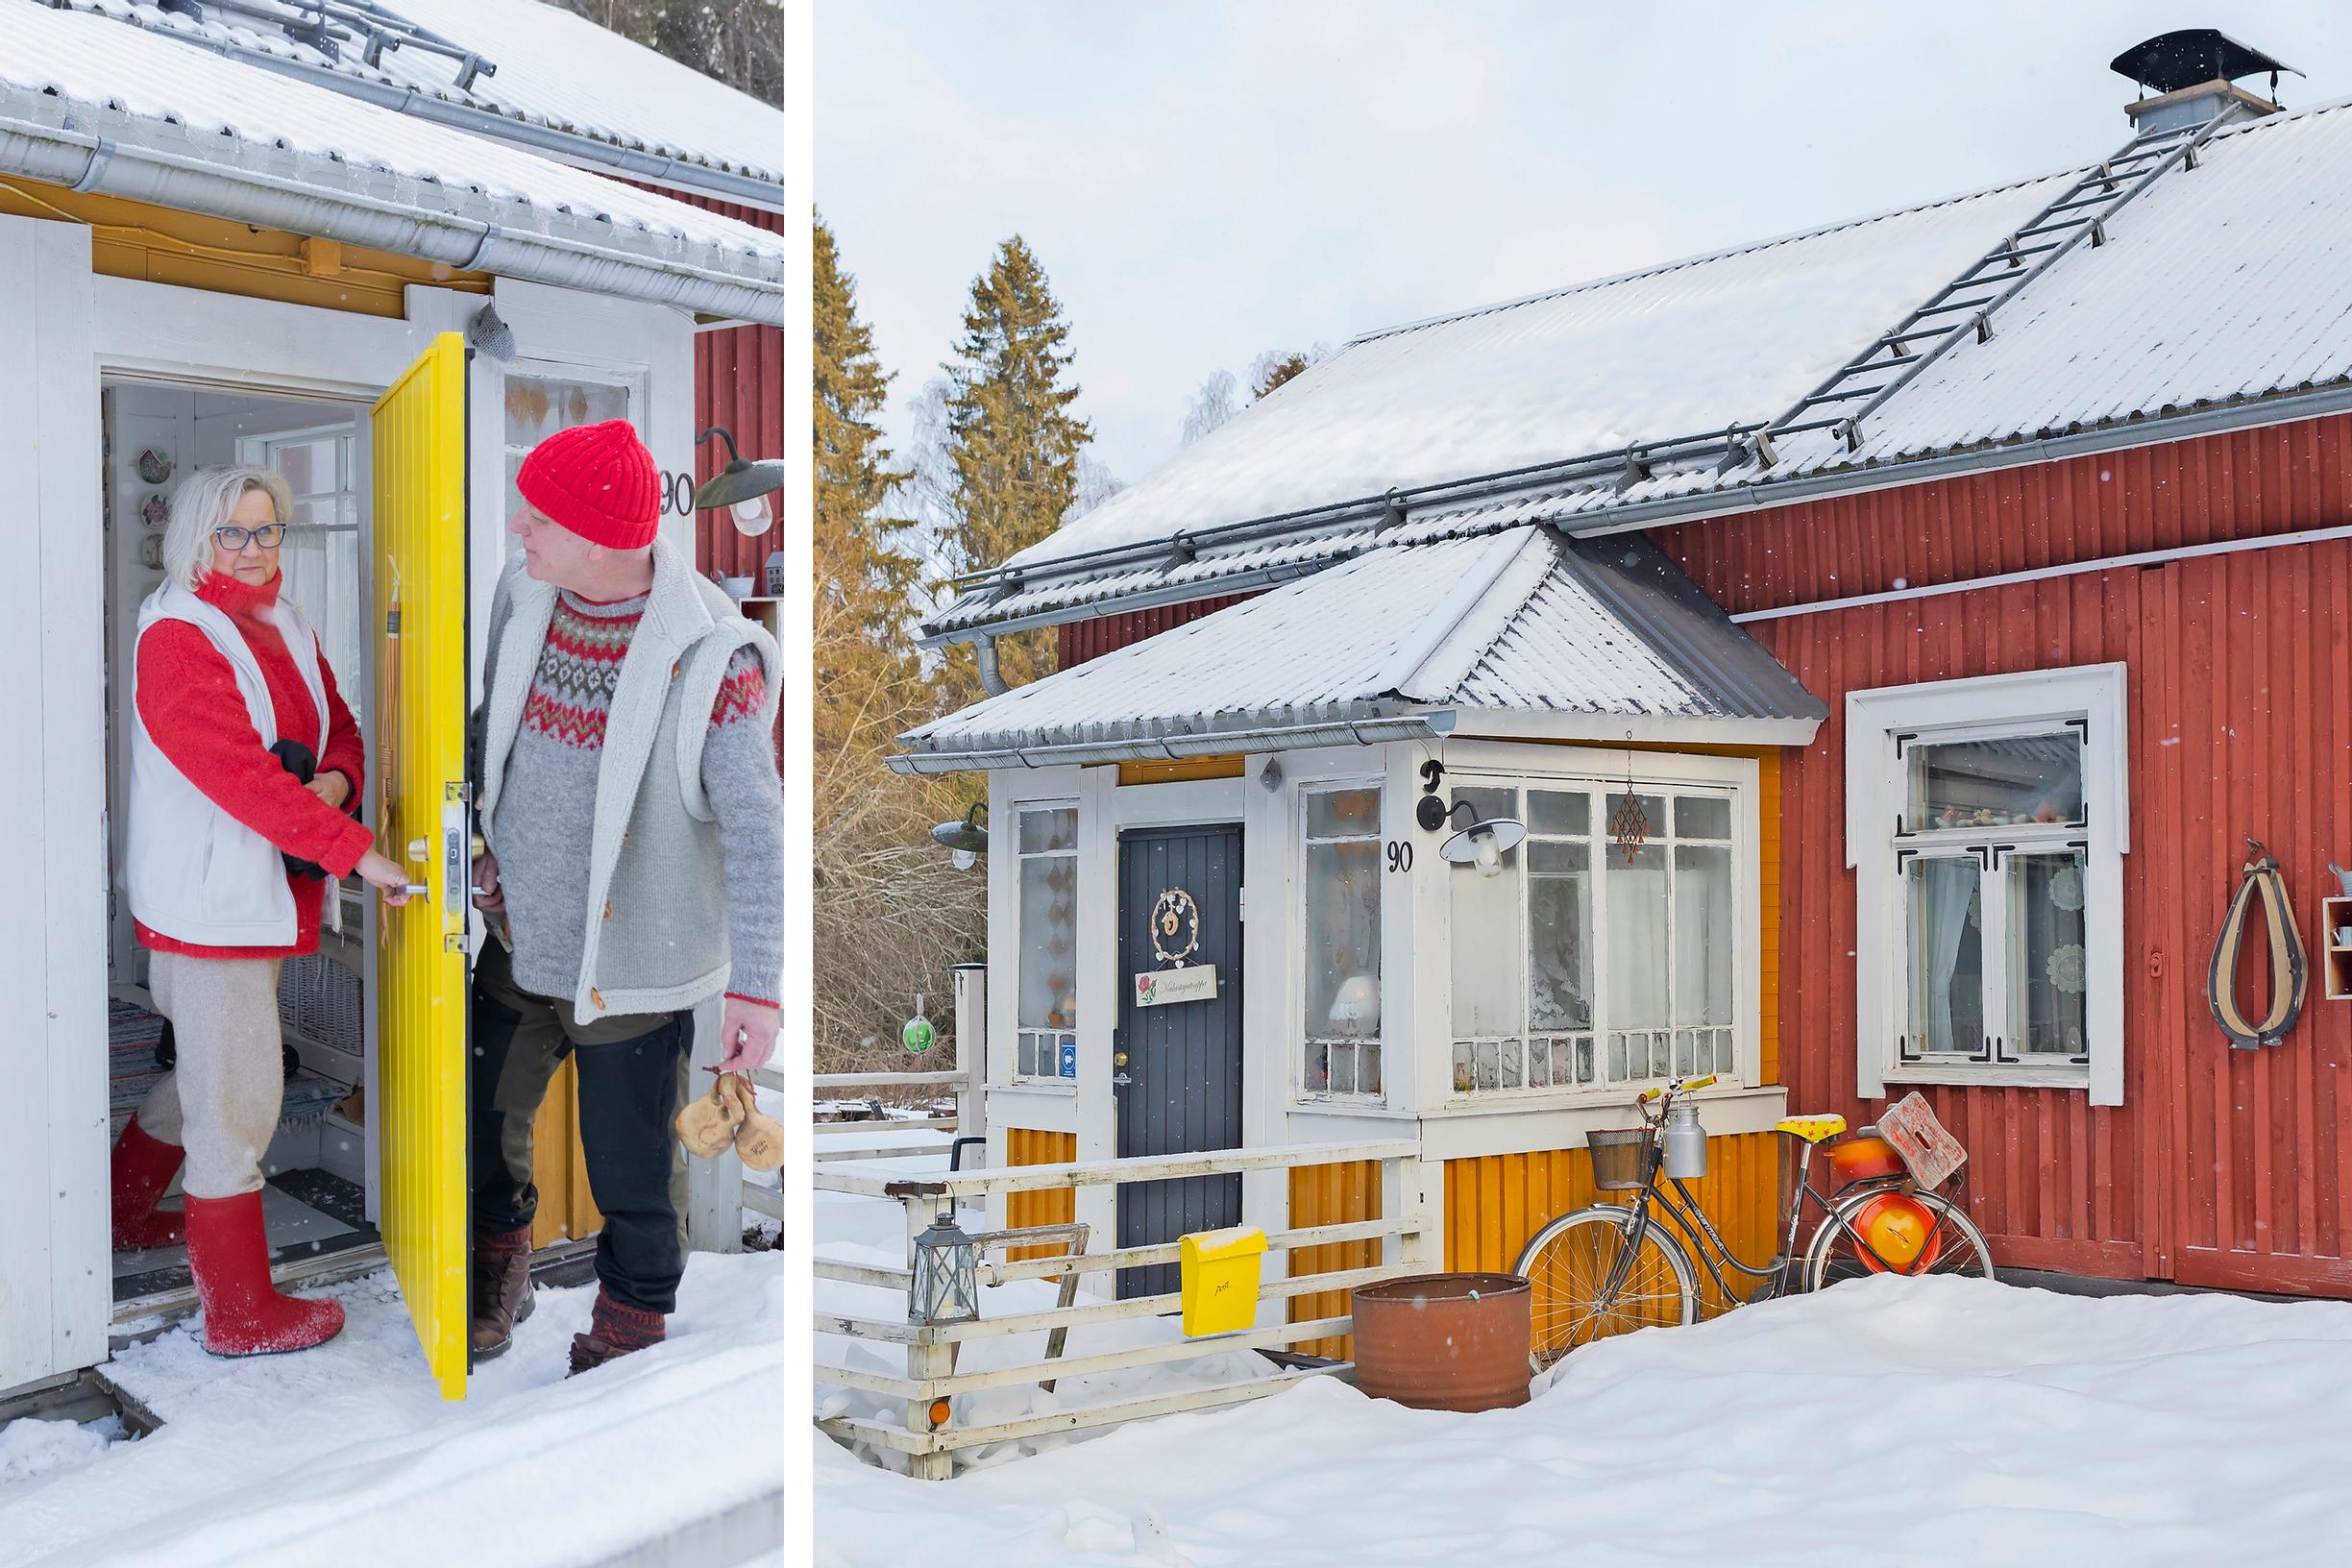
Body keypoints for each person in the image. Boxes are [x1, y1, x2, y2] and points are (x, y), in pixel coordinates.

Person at [466, 420, 782, 1375]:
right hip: (520, 939)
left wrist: (759, 993)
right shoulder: (526, 596)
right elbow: (495, 729)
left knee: (632, 1164)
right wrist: (479, 839)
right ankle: (499, 1262)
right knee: (479, 1123)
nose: (521, 528)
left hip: (634, 962)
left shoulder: (714, 662)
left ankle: (634, 1314)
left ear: (603, 536)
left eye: (541, 516)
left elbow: (759, 834)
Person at [109, 465, 416, 1356]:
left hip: (259, 899)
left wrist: (338, 780)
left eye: (267, 530)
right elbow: (238, 777)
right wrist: (354, 846)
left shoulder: (282, 620)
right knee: (238, 1101)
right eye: (232, 534)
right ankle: (238, 1312)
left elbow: (345, 727)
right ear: (196, 540)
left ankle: (127, 1213)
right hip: (211, 910)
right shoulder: (176, 635)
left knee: (211, 1075)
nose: (252, 551)